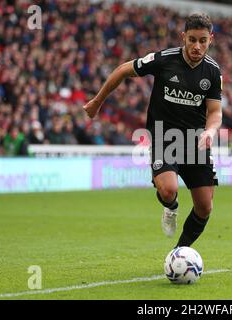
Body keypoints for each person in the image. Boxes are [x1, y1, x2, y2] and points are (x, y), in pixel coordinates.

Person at [83, 13, 222, 248]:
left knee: (205, 207)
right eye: (191, 40)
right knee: (168, 191)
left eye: (202, 40)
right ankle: (171, 207)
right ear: (183, 38)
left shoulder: (212, 71)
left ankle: (180, 253)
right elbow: (123, 70)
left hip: (195, 142)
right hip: (165, 137)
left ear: (211, 39)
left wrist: (210, 132)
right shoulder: (164, 60)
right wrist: (98, 101)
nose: (197, 46)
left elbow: (215, 112)